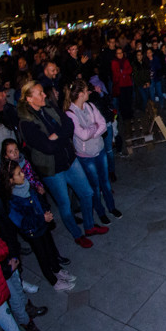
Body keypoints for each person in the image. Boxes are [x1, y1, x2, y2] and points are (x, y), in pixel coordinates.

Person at [18, 81, 105, 248]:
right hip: (52, 170)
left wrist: (56, 135)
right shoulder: (26, 123)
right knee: (65, 205)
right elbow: (47, 147)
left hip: (69, 160)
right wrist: (61, 135)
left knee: (87, 193)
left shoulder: (49, 107)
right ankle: (77, 234)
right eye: (40, 93)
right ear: (29, 98)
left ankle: (89, 226)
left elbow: (69, 125)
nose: (45, 95)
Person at [3, 160, 76, 293]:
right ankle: (53, 280)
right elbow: (22, 222)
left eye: (22, 171)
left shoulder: (27, 186)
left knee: (50, 248)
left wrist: (45, 210)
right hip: (33, 231)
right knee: (42, 254)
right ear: (11, 180)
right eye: (19, 174)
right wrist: (41, 218)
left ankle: (57, 270)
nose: (23, 175)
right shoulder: (12, 201)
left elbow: (38, 201)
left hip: (43, 225)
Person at [66, 79, 121, 223]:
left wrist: (91, 131)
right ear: (80, 94)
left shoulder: (90, 106)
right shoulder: (71, 114)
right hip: (86, 156)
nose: (89, 92)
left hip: (99, 149)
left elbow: (102, 123)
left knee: (105, 182)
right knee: (95, 186)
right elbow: (82, 135)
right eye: (86, 90)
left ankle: (111, 207)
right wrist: (93, 128)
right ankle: (101, 212)